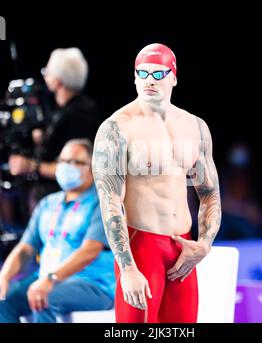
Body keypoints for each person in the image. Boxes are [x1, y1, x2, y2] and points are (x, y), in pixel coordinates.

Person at [92, 43, 221, 323]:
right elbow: (110, 201)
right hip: (141, 246)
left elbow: (209, 194)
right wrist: (127, 268)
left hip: (182, 248)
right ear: (135, 77)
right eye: (143, 73)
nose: (150, 80)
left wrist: (204, 244)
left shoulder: (194, 126)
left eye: (159, 74)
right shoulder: (117, 127)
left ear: (174, 77)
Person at [0, 139, 115, 323]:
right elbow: (26, 248)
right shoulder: (48, 204)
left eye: (75, 162)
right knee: (4, 303)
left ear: (93, 169)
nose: (66, 167)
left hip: (91, 283)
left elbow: (90, 250)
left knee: (42, 299)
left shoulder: (102, 204)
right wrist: (4, 276)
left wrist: (51, 279)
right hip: (46, 279)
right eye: (62, 161)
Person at [8, 48, 100, 212]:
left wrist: (30, 165)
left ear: (58, 80)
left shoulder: (79, 114)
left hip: (70, 203)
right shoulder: (60, 110)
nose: (45, 77)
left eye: (47, 72)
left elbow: (76, 168)